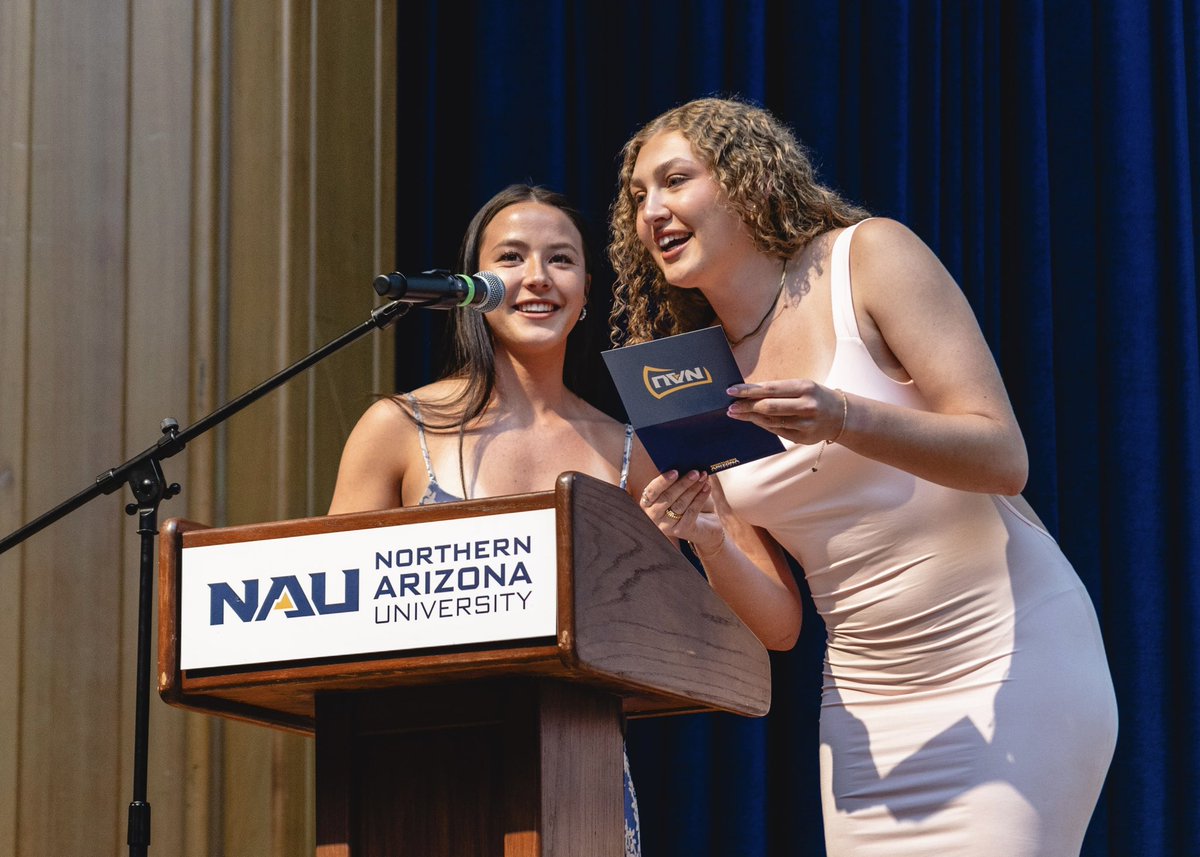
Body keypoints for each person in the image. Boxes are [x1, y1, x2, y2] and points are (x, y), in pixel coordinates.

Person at [608, 97, 1118, 855]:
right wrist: (707, 537)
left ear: (748, 180)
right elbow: (780, 625)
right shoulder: (685, 371)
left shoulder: (867, 258)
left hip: (1010, 659)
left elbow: (1003, 458)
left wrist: (845, 416)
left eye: (675, 180)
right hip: (865, 706)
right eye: (639, 197)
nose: (654, 210)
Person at [328, 183, 654, 857]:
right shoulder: (398, 427)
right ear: (471, 285)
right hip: (416, 771)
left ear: (587, 289)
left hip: (582, 776)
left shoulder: (630, 451)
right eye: (511, 257)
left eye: (561, 259)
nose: (537, 277)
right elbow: (334, 610)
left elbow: (681, 627)